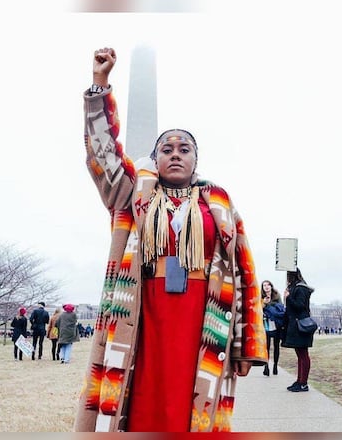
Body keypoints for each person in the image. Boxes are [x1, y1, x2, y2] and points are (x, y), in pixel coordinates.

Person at [74, 47, 268, 432]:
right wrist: (100, 86)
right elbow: (103, 155)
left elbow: (245, 273)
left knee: (192, 409)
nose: (175, 155)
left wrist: (249, 344)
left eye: (185, 149)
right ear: (155, 158)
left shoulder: (220, 202)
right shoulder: (132, 193)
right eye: (166, 149)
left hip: (203, 315)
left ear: (197, 160)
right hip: (143, 314)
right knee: (140, 400)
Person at [281, 268, 315, 392]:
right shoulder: (296, 287)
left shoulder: (301, 288)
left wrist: (288, 297)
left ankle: (303, 383)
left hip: (301, 326)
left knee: (303, 355)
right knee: (300, 355)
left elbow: (300, 306)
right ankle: (299, 381)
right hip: (296, 326)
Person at [260, 280, 284, 376]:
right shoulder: (261, 296)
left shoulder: (277, 295)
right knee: (267, 347)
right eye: (264, 285)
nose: (266, 287)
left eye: (268, 285)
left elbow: (281, 308)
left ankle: (275, 366)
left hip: (276, 324)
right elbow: (257, 308)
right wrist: (264, 303)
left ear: (271, 286)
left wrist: (270, 305)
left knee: (276, 346)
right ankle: (266, 367)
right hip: (265, 324)